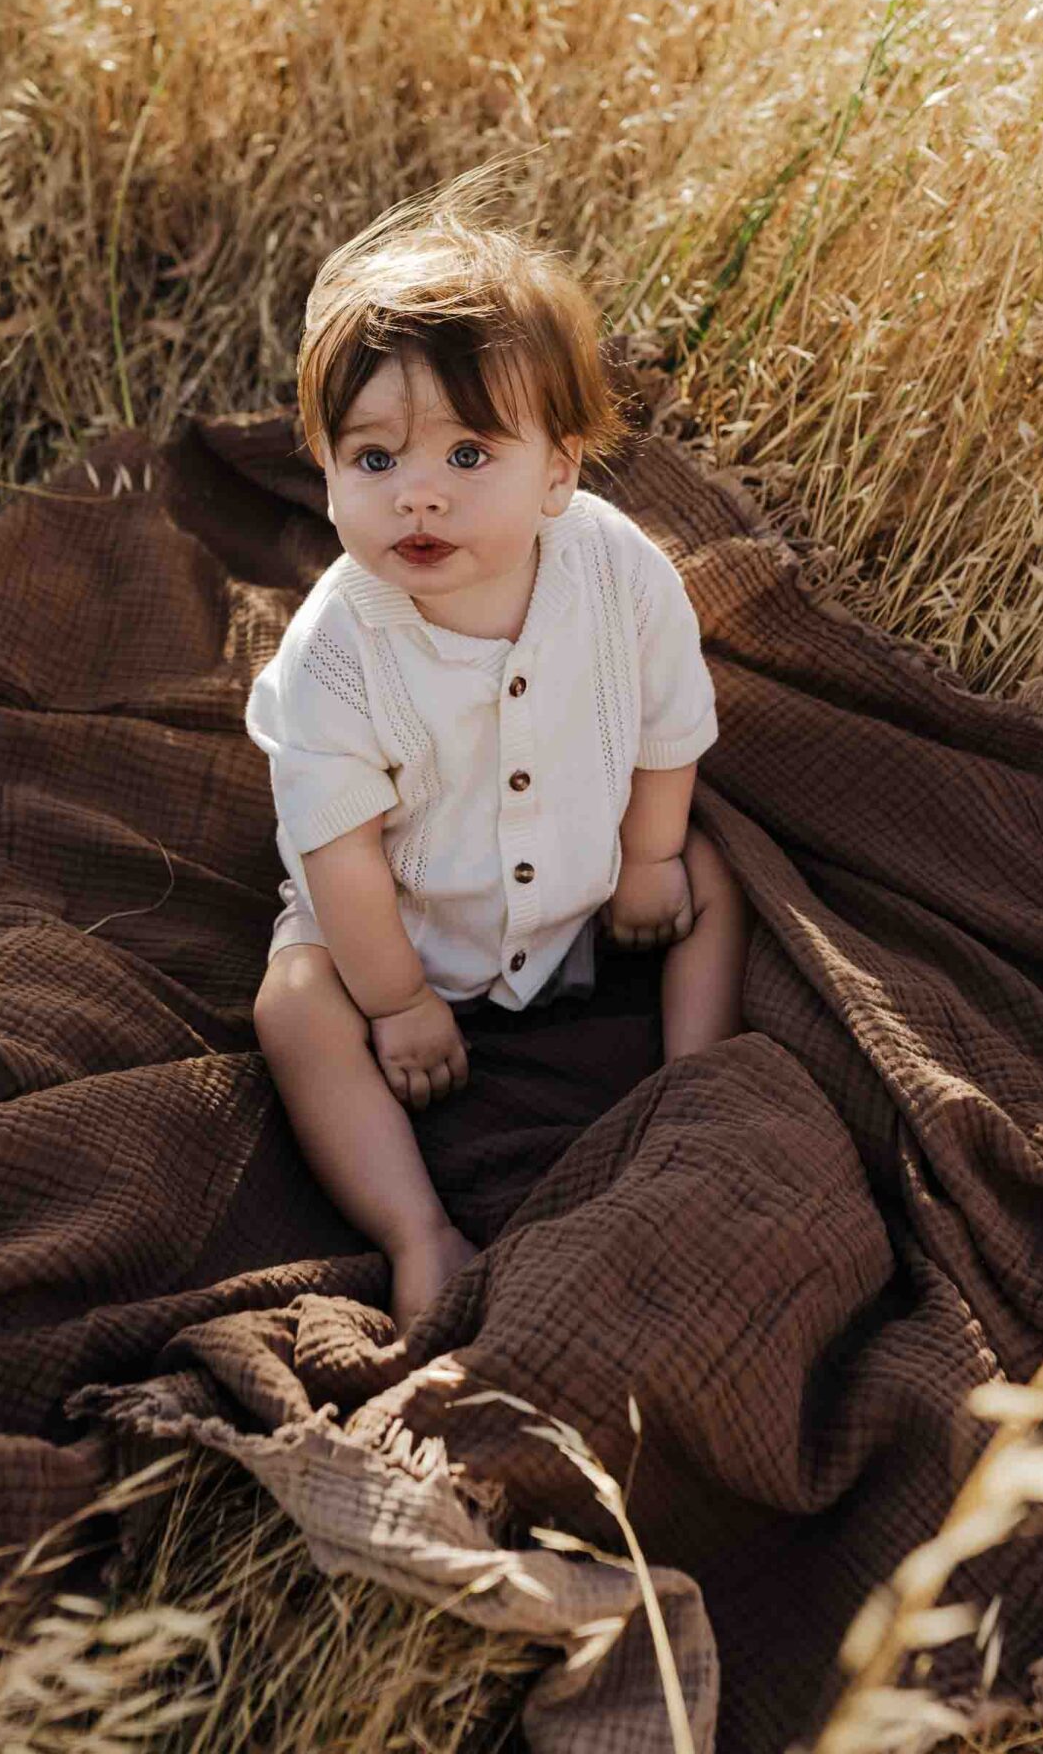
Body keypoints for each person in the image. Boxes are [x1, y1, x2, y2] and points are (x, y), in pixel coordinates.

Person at [244, 169, 751, 1330]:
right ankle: (416, 1228)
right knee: (291, 998)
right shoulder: (336, 649)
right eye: (373, 460)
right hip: (402, 933)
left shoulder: (617, 572)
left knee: (708, 874)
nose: (417, 496)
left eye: (468, 456)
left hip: (580, 902)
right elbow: (338, 851)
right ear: (323, 470)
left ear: (558, 471)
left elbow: (671, 726)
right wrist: (400, 999)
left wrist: (645, 862)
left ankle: (690, 1093)